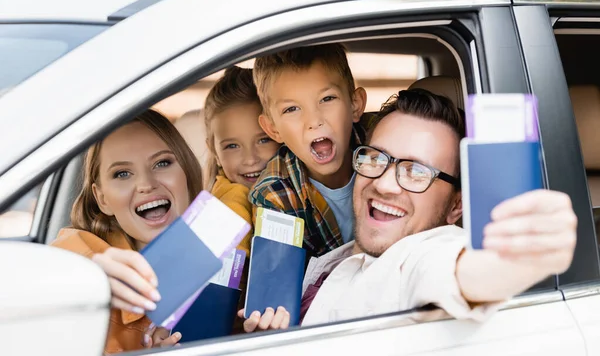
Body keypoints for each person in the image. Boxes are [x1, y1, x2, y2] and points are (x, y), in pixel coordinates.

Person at [239, 88, 577, 331]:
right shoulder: (336, 257)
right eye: (376, 158)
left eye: (416, 172)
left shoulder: (424, 253)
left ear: (456, 205)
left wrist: (517, 256)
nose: (385, 184)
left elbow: (465, 271)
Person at [51, 109, 203, 354]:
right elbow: (55, 263)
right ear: (102, 199)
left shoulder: (226, 259)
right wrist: (90, 276)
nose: (146, 184)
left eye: (162, 163)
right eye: (122, 173)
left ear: (187, 172)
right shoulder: (81, 251)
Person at [250, 44, 373, 258]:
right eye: (291, 109)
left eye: (327, 99)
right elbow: (281, 283)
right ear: (273, 128)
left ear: (355, 104)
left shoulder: (385, 152)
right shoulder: (275, 196)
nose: (314, 121)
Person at [203, 66, 281, 255]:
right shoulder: (228, 207)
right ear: (215, 152)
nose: (250, 159)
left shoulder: (293, 190)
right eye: (232, 146)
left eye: (263, 140)